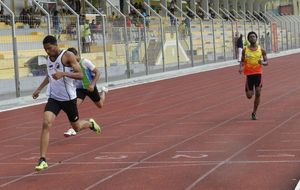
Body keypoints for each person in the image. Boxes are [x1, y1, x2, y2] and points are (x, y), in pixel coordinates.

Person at [32, 35, 102, 171]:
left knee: (76, 127)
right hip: (54, 98)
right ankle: (42, 159)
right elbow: (49, 75)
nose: (48, 52)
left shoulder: (68, 56)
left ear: (56, 45)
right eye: (45, 49)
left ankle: (90, 123)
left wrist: (63, 74)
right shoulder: (48, 59)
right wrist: (39, 89)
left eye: (50, 48)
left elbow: (81, 74)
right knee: (46, 123)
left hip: (69, 99)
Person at [63, 47, 108, 137]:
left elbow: (97, 72)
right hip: (79, 89)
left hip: (90, 88)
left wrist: (92, 85)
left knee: (100, 105)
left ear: (75, 55)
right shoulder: (70, 65)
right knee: (73, 107)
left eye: (70, 57)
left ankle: (103, 92)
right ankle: (72, 128)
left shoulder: (85, 62)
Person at [238, 31, 268, 120]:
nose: (252, 38)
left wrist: (262, 62)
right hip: (249, 75)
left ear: (256, 38)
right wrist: (241, 67)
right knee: (249, 96)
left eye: (254, 36)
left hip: (258, 74)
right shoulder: (245, 50)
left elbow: (267, 62)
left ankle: (254, 112)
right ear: (248, 39)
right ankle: (251, 91)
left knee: (258, 93)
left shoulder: (261, 49)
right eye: (250, 37)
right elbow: (242, 61)